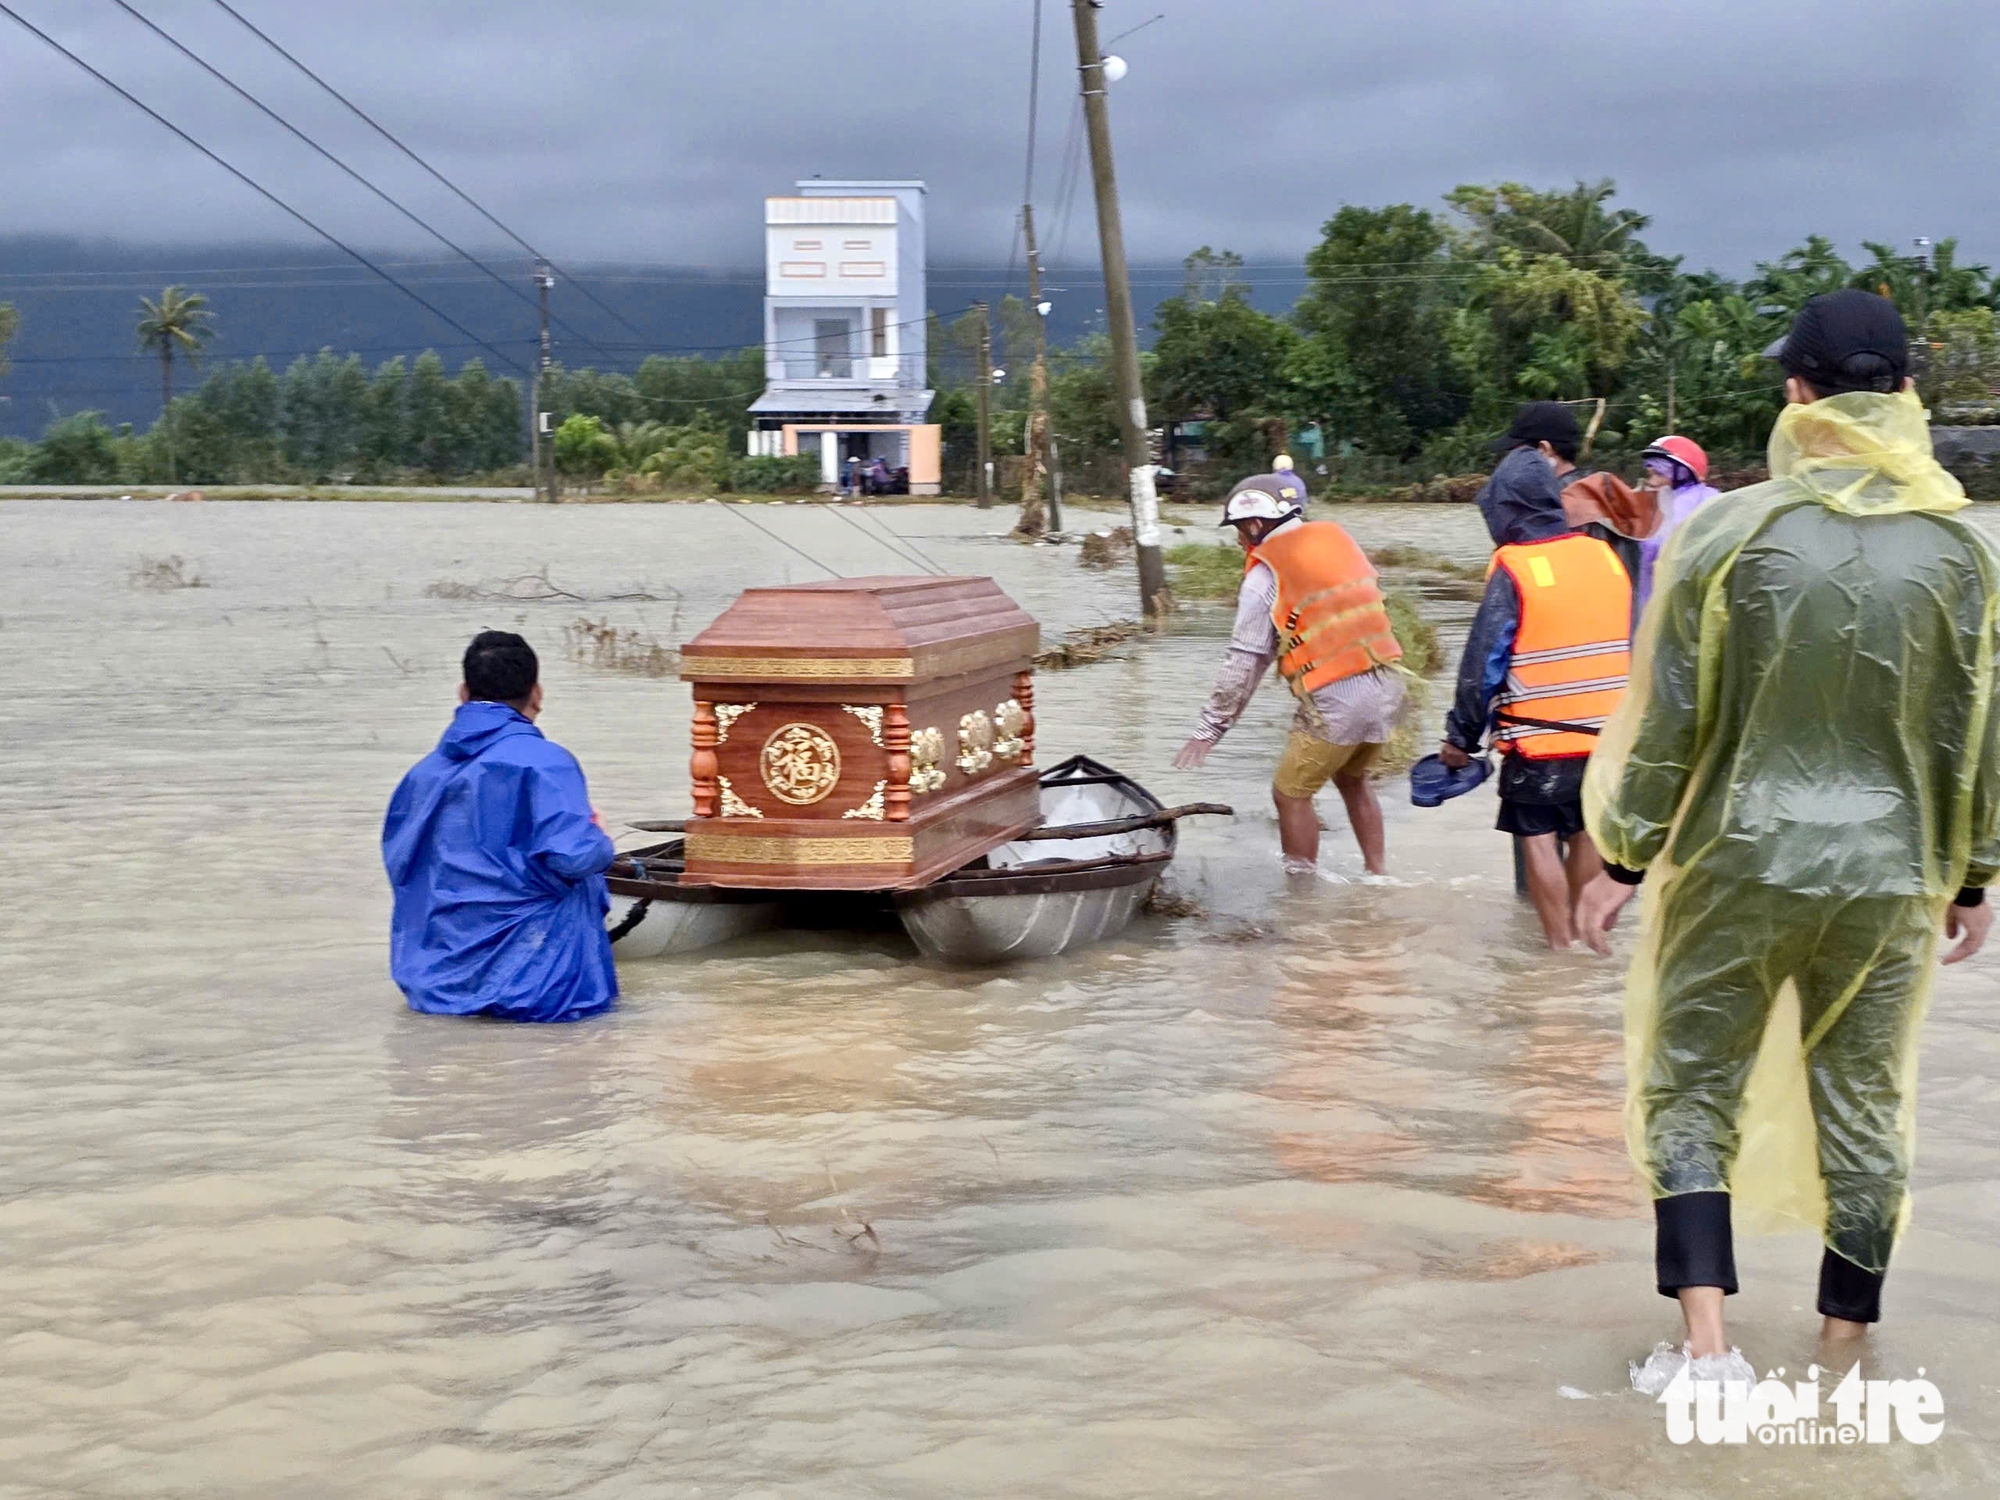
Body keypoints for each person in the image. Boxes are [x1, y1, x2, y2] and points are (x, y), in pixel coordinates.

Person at [1575, 290, 2000, 1378]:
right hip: (1890, 875)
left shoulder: (1724, 533)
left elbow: (1671, 711)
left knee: (1688, 1085)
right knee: (1863, 1105)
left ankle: (1706, 1350)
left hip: (1735, 859)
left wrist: (1620, 854)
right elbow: (1975, 730)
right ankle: (1840, 1352)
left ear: (1794, 393)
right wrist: (1973, 875)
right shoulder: (1963, 553)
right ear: (1904, 390)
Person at [1440, 401, 1632, 948]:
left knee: (1540, 837)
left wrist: (1460, 738)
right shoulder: (1603, 555)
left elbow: (1483, 664)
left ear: (1505, 510)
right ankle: (1585, 930)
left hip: (1541, 737)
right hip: (1605, 734)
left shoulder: (1513, 567)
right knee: (1586, 828)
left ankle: (1556, 953)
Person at [1174, 460, 1406, 875]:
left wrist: (1208, 731)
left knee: (1290, 793)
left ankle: (1301, 898)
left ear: (1257, 524)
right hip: (1388, 686)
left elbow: (1245, 661)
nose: (1240, 539)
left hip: (1338, 699)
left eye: (1240, 529)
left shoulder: (1265, 576)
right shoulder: (1338, 542)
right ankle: (1378, 875)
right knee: (1353, 780)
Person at [382, 631, 619, 1022]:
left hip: (436, 984)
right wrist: (600, 837)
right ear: (537, 694)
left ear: (463, 693)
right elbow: (575, 857)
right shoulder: (545, 762)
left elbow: (403, 864)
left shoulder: (421, 775)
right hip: (539, 986)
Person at [1632, 435, 1720, 618]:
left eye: (1660, 474)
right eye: (1651, 474)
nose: (1652, 482)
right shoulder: (1661, 499)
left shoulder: (1698, 502)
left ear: (1682, 473)